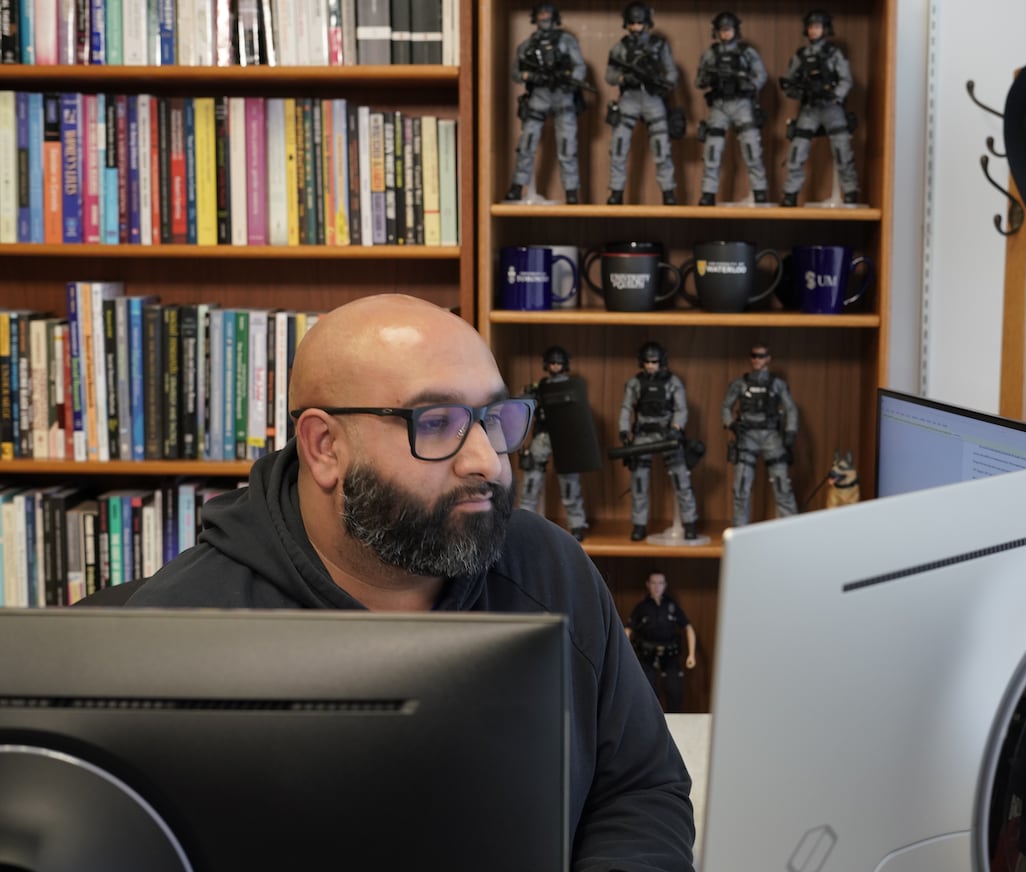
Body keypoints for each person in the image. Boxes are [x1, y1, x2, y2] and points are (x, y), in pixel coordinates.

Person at [126, 295, 696, 871]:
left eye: (495, 420)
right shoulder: (179, 635)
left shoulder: (548, 567)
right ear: (325, 446)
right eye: (437, 422)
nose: (487, 461)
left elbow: (640, 789)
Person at [504, 3, 588, 204]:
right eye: (541, 14)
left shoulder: (567, 41)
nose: (544, 17)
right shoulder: (527, 45)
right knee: (526, 145)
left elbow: (580, 68)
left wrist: (567, 79)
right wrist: (530, 75)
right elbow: (516, 73)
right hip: (539, 97)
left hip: (563, 96)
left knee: (567, 147)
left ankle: (571, 192)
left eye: (548, 14)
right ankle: (517, 187)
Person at [617, 341, 700, 541]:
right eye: (647, 361)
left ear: (661, 361)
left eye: (654, 361)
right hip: (644, 434)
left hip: (667, 435)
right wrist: (623, 430)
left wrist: (676, 428)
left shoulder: (672, 382)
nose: (650, 365)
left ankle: (689, 523)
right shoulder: (635, 383)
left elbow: (681, 409)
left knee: (681, 480)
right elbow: (626, 407)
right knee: (638, 482)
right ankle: (639, 524)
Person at [779, 9, 859, 207]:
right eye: (811, 27)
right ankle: (790, 193)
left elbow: (846, 80)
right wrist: (796, 91)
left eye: (817, 27)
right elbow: (790, 80)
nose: (813, 31)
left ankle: (849, 191)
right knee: (797, 151)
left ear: (825, 29)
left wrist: (834, 95)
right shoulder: (801, 55)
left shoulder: (833, 54)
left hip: (831, 108)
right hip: (809, 108)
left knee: (842, 150)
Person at [604, 2, 680, 206]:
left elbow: (672, 73)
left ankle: (668, 192)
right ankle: (616, 191)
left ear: (647, 23)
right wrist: (623, 78)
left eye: (640, 23)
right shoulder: (620, 47)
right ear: (627, 24)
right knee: (619, 146)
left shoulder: (659, 45)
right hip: (629, 98)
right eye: (633, 23)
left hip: (652, 98)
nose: (636, 28)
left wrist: (661, 82)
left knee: (661, 147)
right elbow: (609, 74)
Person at [694, 11, 769, 206]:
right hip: (719, 105)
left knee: (751, 147)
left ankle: (759, 190)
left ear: (735, 30)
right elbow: (699, 80)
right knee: (712, 150)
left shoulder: (746, 53)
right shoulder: (711, 53)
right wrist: (708, 79)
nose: (725, 34)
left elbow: (760, 75)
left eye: (728, 30)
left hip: (741, 103)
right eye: (722, 30)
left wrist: (748, 84)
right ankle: (708, 192)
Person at [721, 343, 799, 527]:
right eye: (754, 356)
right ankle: (739, 530)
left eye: (761, 356)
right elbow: (726, 406)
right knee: (740, 487)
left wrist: (790, 432)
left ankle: (793, 530)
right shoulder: (740, 384)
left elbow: (791, 409)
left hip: (771, 436)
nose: (757, 360)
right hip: (747, 436)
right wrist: (730, 424)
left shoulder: (777, 384)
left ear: (768, 359)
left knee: (782, 485)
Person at [518, 345, 589, 540]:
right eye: (552, 363)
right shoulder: (539, 387)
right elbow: (522, 409)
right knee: (532, 480)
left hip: (564, 437)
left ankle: (577, 523)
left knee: (569, 485)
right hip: (543, 436)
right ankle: (524, 522)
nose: (555, 366)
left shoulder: (573, 387)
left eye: (558, 363)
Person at [625, 570, 697, 713]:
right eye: (653, 583)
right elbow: (627, 630)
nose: (657, 586)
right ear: (648, 585)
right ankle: (650, 725)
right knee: (647, 692)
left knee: (674, 691)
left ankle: (675, 726)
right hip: (646, 655)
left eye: (660, 583)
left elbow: (688, 628)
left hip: (670, 655)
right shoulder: (641, 607)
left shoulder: (672, 606)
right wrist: (626, 655)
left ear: (665, 585)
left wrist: (691, 655)